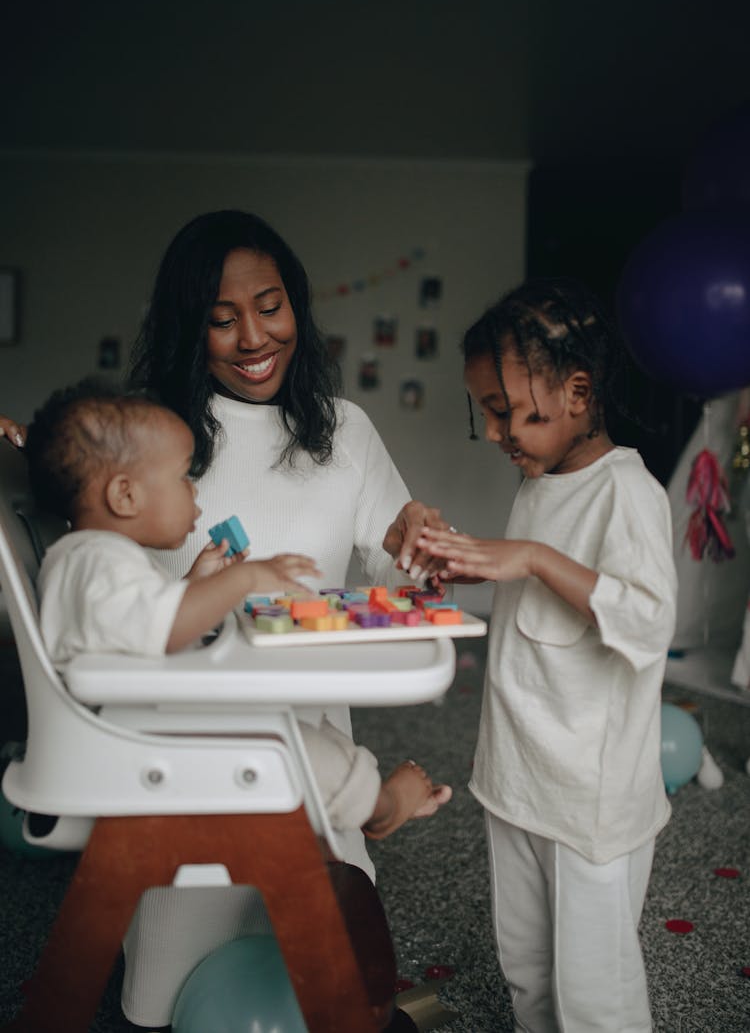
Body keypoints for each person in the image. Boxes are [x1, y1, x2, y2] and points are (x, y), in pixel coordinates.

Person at [0, 209, 447, 870]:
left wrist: (421, 545)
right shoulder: (149, 438)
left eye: (271, 307)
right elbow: (94, 545)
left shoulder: (345, 431)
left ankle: (357, 805)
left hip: (304, 740)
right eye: (222, 317)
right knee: (184, 923)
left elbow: (406, 572)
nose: (253, 337)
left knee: (321, 917)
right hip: (181, 744)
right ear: (191, 326)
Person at [414, 279, 677, 1033]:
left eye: (503, 410)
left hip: (589, 801)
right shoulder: (540, 481)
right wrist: (474, 565)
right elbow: (534, 596)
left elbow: (647, 619)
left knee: (593, 990)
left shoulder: (627, 490)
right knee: (526, 966)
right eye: (485, 413)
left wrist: (528, 556)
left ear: (577, 391)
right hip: (517, 778)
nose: (495, 433)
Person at [25, 381, 452, 841]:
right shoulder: (97, 563)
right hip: (134, 747)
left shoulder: (93, 559)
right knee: (286, 748)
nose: (194, 493)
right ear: (125, 496)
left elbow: (134, 631)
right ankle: (381, 807)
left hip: (138, 729)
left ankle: (357, 788)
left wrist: (194, 584)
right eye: (182, 477)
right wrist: (242, 580)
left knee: (294, 727)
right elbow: (164, 630)